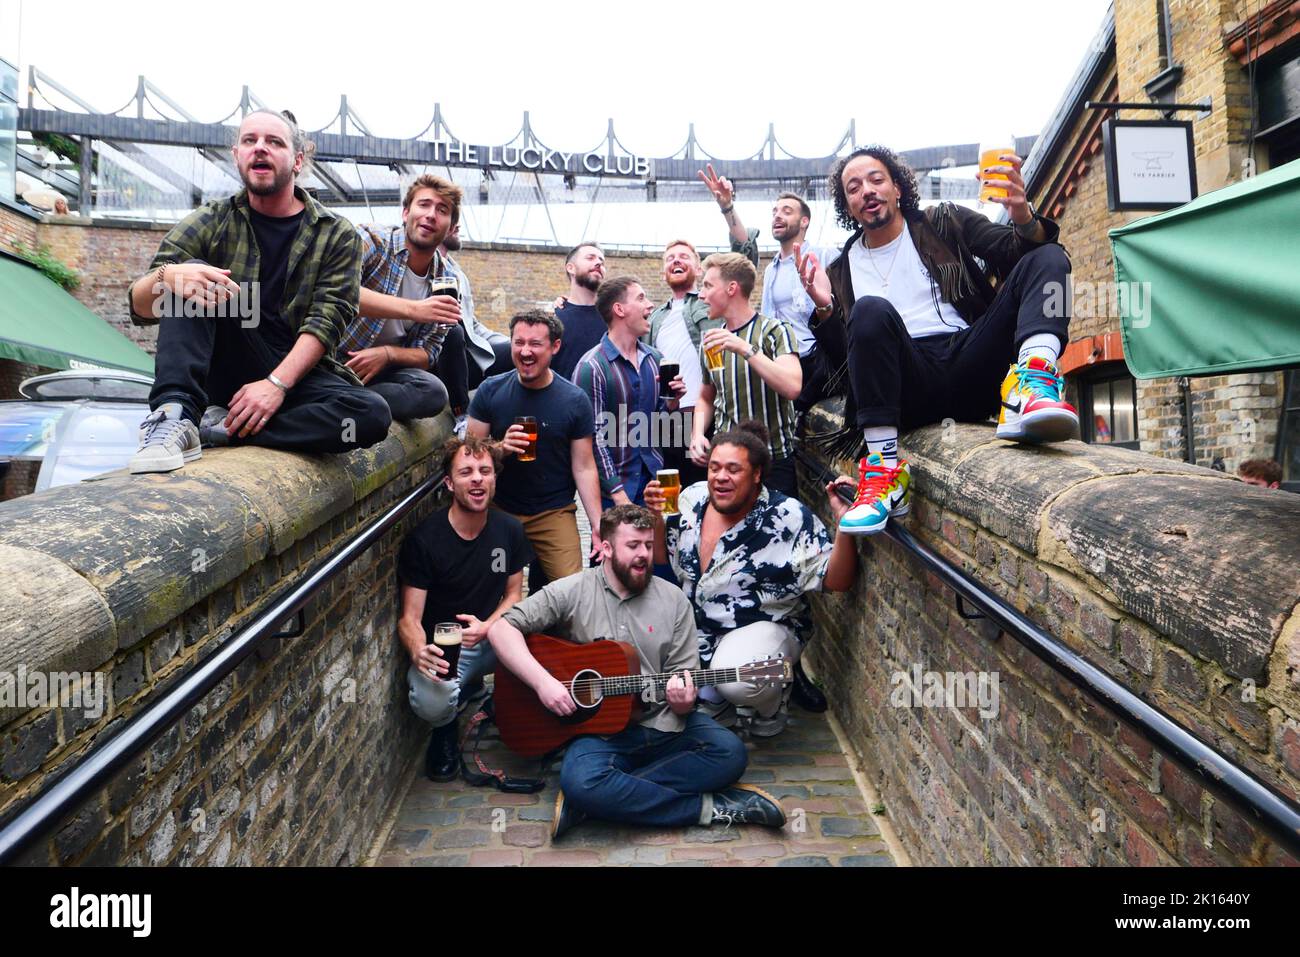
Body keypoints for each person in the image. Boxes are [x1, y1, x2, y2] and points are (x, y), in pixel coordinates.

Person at [796, 144, 1077, 536]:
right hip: (909, 384)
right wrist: (825, 310)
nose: (867, 191)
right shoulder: (839, 272)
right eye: (854, 188)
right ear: (848, 205)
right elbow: (850, 370)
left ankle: (1031, 383)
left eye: (876, 180)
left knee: (1050, 256)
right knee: (870, 310)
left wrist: (1022, 215)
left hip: (971, 359)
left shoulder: (944, 222)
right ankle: (884, 475)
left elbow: (1021, 253)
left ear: (897, 187)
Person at [487, 504, 786, 840]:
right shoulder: (572, 590)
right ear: (606, 548)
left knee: (730, 753)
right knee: (579, 780)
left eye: (647, 544)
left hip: (664, 724)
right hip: (600, 733)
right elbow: (501, 630)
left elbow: (683, 684)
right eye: (633, 546)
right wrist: (543, 684)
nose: (644, 554)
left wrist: (683, 701)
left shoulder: (673, 600)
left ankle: (601, 799)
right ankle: (708, 808)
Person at [127, 109, 390, 473]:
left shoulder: (335, 233)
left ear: (297, 160)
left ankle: (223, 429)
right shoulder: (213, 220)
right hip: (227, 357)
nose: (260, 149)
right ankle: (176, 414)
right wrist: (166, 276)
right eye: (250, 141)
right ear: (237, 155)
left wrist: (275, 385)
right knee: (193, 275)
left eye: (274, 142)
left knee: (369, 417)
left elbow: (327, 321)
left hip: (292, 365)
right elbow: (141, 305)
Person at [647, 421, 859, 736]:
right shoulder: (690, 500)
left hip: (763, 630)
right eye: (715, 467)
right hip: (700, 632)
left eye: (733, 469)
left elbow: (836, 580)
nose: (720, 477)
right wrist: (655, 517)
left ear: (756, 474)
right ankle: (714, 694)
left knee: (738, 678)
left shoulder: (788, 517)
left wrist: (845, 524)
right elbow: (664, 558)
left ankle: (771, 704)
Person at [397, 435, 531, 781]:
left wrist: (488, 626)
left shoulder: (510, 529)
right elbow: (409, 619)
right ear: (449, 483)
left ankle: (514, 716)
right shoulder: (425, 540)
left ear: (494, 479)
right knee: (431, 700)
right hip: (449, 649)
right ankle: (445, 729)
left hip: (494, 636)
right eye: (466, 472)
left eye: (485, 471)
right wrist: (417, 651)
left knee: (548, 651)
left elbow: (515, 595)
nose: (477, 479)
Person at [466, 310, 604, 588]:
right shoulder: (490, 391)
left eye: (535, 344)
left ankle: (550, 633)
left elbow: (584, 465)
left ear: (554, 347)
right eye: (519, 343)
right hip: (500, 509)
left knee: (572, 592)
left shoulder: (574, 400)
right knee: (490, 585)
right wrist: (501, 448)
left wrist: (598, 524)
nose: (525, 351)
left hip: (553, 511)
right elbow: (469, 454)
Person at [699, 165, 840, 410]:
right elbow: (743, 248)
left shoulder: (825, 256)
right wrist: (727, 206)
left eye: (787, 211)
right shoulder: (771, 270)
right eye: (775, 211)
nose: (778, 216)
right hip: (783, 360)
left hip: (818, 361)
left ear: (804, 221)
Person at [344, 174, 461, 422]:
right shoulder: (371, 238)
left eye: (442, 210)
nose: (431, 215)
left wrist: (387, 354)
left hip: (383, 372)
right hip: (337, 357)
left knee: (433, 392)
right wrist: (413, 309)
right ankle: (348, 398)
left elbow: (429, 351)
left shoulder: (447, 278)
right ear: (406, 213)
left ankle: (349, 400)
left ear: (451, 228)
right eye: (424, 205)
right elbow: (339, 290)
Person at [690, 253, 802, 497]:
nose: (701, 295)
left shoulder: (775, 331)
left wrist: (744, 348)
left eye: (708, 285)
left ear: (732, 288)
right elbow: (706, 398)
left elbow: (792, 386)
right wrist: (697, 434)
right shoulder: (710, 342)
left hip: (774, 464)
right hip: (726, 466)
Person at [573, 276, 686, 507]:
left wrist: (673, 403)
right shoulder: (592, 367)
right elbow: (594, 439)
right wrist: (617, 494)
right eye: (641, 298)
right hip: (614, 493)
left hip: (655, 485)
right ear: (619, 309)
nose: (650, 305)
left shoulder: (656, 360)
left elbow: (660, 428)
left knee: (658, 545)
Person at [645, 239, 721, 488]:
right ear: (664, 272)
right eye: (670, 258)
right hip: (668, 420)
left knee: (704, 490)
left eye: (684, 256)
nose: (676, 260)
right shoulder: (655, 316)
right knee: (670, 493)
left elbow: (741, 267)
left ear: (699, 270)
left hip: (707, 416)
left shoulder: (711, 303)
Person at [437, 222, 514, 434]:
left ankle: (502, 417)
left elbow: (473, 326)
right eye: (450, 218)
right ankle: (462, 416)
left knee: (516, 352)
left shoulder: (457, 273)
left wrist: (511, 342)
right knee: (451, 331)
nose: (458, 224)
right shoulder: (417, 266)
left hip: (465, 357)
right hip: (433, 360)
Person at [552, 243, 608, 381]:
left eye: (601, 261)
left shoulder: (614, 316)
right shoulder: (554, 317)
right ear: (570, 268)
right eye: (590, 258)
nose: (598, 263)